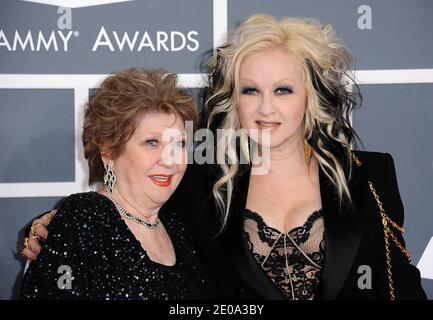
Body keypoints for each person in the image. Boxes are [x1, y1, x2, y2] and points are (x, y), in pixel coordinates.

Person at [22, 15, 426, 300]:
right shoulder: (198, 182)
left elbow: (401, 286)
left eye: (283, 90)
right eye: (250, 91)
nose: (266, 108)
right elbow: (128, 217)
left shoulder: (370, 175)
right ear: (234, 100)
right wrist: (47, 228)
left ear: (311, 98)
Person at [19, 68, 214, 299]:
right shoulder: (83, 219)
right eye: (152, 142)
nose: (170, 159)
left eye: (179, 144)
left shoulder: (178, 227)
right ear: (108, 150)